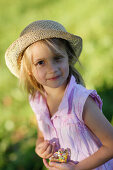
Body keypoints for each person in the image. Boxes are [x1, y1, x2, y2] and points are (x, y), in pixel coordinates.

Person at [5, 20, 113, 170]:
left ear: (68, 58)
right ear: (29, 70)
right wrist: (40, 148)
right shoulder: (37, 101)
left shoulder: (81, 101)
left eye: (57, 58)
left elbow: (111, 145)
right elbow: (41, 136)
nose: (52, 69)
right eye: (41, 62)